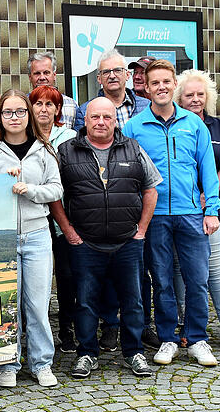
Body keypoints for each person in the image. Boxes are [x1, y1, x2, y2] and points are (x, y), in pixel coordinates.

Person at [50, 97, 160, 378]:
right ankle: (87, 354)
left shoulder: (133, 149)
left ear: (115, 121)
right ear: (85, 121)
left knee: (134, 300)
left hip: (127, 241)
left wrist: (141, 231)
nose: (100, 122)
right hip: (85, 242)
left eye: (107, 118)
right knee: (85, 302)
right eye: (94, 117)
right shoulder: (66, 151)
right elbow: (54, 197)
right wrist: (69, 232)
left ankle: (134, 352)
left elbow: (151, 189)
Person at [122, 59, 220, 367]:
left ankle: (197, 339)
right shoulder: (133, 127)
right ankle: (167, 338)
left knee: (197, 278)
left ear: (173, 84)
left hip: (191, 212)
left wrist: (212, 209)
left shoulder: (194, 125)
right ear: (147, 88)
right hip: (154, 217)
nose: (161, 87)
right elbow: (129, 173)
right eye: (155, 83)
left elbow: (207, 168)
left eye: (167, 81)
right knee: (162, 279)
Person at [0, 89, 63, 388]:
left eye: (20, 112)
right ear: (0, 116)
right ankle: (9, 363)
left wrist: (31, 189)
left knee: (38, 304)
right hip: (4, 236)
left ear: (29, 115)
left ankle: (41, 363)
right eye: (8, 112)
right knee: (9, 305)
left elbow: (56, 190)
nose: (14, 118)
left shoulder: (45, 149)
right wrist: (4, 183)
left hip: (37, 234)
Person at [72, 49, 152, 352]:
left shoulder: (145, 107)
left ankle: (142, 331)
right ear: (99, 78)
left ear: (128, 74)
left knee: (137, 279)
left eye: (118, 70)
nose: (113, 76)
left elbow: (149, 182)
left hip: (133, 208)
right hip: (94, 222)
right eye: (106, 72)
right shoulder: (84, 112)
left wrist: (141, 226)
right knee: (98, 285)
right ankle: (109, 326)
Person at [171, 69, 220, 352]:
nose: (195, 99)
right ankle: (185, 326)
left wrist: (207, 194)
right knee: (180, 270)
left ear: (208, 97)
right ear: (179, 97)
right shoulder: (175, 124)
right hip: (179, 211)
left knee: (215, 270)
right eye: (189, 95)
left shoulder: (219, 127)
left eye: (200, 94)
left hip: (210, 210)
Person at [27, 84, 77, 351]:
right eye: (38, 104)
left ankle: (67, 328)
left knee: (67, 275)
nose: (43, 109)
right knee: (37, 277)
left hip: (65, 215)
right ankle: (35, 331)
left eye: (49, 104)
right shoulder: (24, 136)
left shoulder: (68, 136)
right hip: (35, 216)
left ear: (58, 109)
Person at [27, 51, 77, 129]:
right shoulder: (23, 103)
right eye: (37, 73)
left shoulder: (71, 105)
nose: (42, 77)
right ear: (30, 77)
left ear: (54, 75)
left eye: (46, 73)